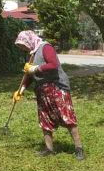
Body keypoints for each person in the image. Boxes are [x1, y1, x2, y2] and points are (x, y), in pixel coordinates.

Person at [13, 30, 85, 160]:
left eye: (23, 45)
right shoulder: (32, 54)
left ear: (29, 40)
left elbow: (53, 65)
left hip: (57, 87)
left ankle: (79, 148)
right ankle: (49, 149)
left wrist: (35, 68)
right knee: (44, 119)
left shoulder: (45, 47)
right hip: (42, 91)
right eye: (21, 47)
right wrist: (21, 89)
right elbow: (29, 75)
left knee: (67, 118)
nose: (23, 48)